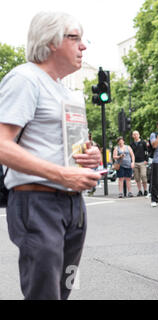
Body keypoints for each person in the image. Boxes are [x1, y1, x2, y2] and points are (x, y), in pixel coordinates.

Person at [0, 11, 102, 300]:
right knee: (44, 294)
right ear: (50, 41)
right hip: (38, 202)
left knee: (62, 289)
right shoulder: (24, 79)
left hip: (73, 205)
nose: (83, 46)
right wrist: (61, 174)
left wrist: (90, 155)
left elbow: (67, 147)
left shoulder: (68, 93)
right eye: (74, 38)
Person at [130, 130, 148, 197]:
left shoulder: (143, 142)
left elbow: (146, 151)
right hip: (135, 162)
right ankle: (139, 190)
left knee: (143, 176)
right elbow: (131, 153)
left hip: (142, 162)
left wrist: (146, 160)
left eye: (136, 134)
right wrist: (132, 162)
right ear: (132, 136)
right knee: (137, 178)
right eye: (134, 134)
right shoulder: (131, 144)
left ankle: (145, 190)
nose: (135, 136)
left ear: (139, 135)